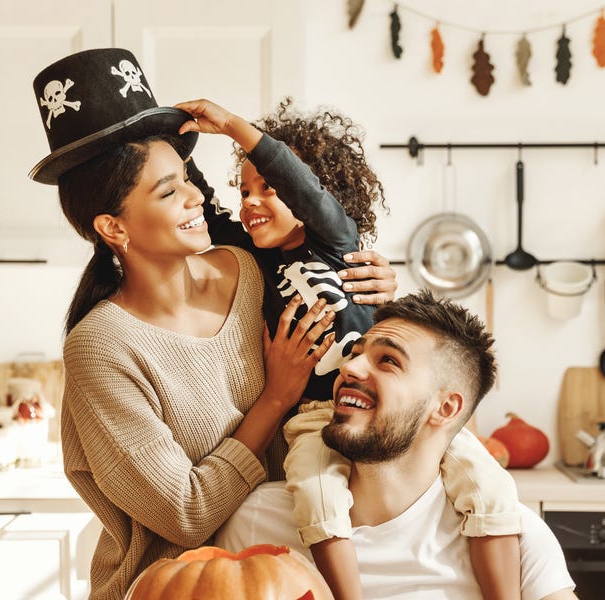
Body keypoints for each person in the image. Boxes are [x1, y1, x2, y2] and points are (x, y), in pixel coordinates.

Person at [27, 48, 396, 600]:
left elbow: (323, 268)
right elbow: (184, 512)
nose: (198, 196)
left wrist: (374, 286)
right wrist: (275, 398)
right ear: (113, 227)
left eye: (187, 178)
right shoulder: (101, 348)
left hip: (294, 579)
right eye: (168, 190)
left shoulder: (248, 269)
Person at [176, 99, 523, 600]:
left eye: (267, 188)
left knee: (490, 487)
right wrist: (175, 144)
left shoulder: (337, 242)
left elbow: (301, 185)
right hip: (316, 417)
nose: (250, 202)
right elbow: (200, 205)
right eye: (244, 190)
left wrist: (233, 128)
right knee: (316, 498)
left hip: (396, 408)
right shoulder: (251, 257)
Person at [217, 289, 577, 600]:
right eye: (355, 353)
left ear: (446, 408)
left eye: (388, 361)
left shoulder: (516, 537)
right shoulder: (258, 523)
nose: (351, 368)